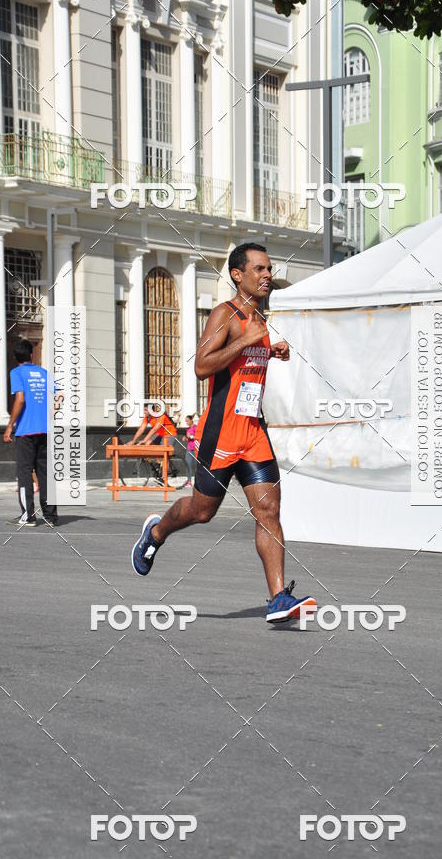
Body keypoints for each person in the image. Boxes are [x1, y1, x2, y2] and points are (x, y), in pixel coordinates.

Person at [131, 243, 316, 624]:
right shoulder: (225, 314)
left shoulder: (261, 320)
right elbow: (202, 366)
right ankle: (157, 531)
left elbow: (245, 367)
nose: (267, 275)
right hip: (222, 433)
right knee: (202, 512)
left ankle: (278, 598)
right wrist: (245, 341)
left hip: (253, 431)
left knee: (269, 510)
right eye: (259, 269)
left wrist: (271, 350)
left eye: (269, 269)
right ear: (238, 274)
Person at [3, 339, 58, 527]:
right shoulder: (44, 373)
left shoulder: (17, 372)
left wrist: (10, 424)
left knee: (25, 473)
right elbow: (58, 397)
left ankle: (28, 516)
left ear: (15, 357)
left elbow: (20, 398)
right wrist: (49, 414)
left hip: (26, 431)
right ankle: (50, 516)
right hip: (45, 430)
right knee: (45, 473)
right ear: (32, 355)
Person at [183, 414, 197, 488]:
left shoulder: (195, 427)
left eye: (187, 421)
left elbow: (198, 437)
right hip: (189, 449)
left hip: (195, 449)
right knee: (188, 464)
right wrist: (185, 438)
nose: (187, 422)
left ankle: (198, 482)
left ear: (191, 420)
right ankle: (189, 481)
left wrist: (190, 437)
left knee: (196, 466)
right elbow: (188, 438)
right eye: (186, 421)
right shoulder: (187, 429)